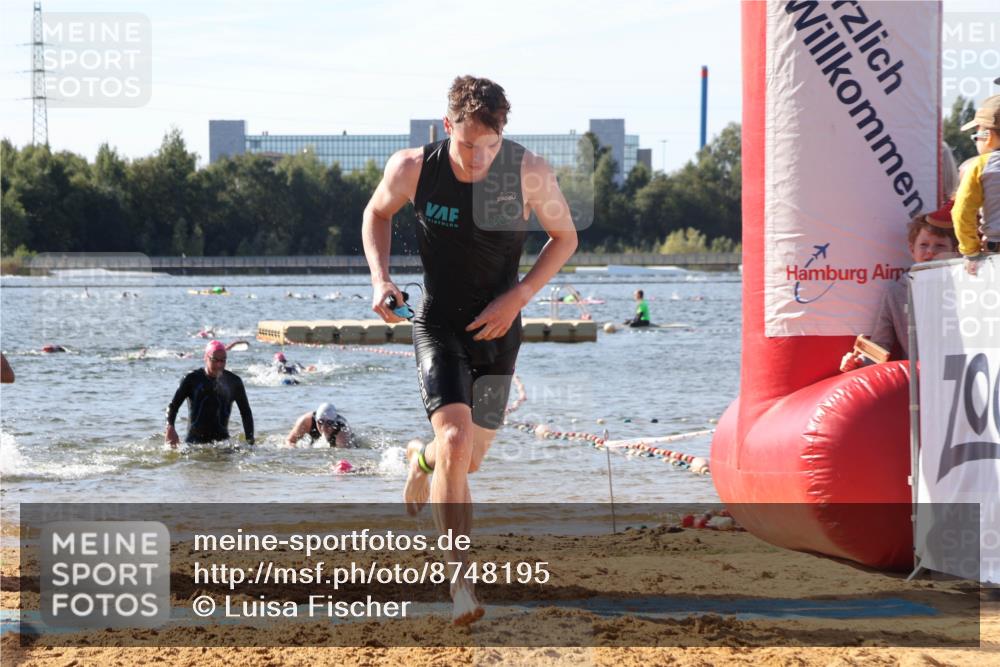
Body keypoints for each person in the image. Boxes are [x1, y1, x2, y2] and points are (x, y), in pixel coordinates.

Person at [361, 75, 577, 625]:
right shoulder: (413, 167)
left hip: (500, 330)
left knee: (467, 458)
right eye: (466, 145)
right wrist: (381, 279)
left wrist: (519, 297)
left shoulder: (529, 172)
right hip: (438, 323)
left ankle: (422, 458)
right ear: (446, 124)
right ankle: (460, 583)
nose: (478, 158)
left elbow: (565, 238)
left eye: (490, 146)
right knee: (456, 438)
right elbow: (376, 215)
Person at [840, 214, 958, 371]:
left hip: (961, 377)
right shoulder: (896, 292)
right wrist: (857, 363)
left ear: (955, 251)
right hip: (919, 383)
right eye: (923, 245)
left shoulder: (967, 288)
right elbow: (880, 346)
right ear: (912, 249)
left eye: (940, 246)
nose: (930, 251)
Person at [165, 340, 254, 448]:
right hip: (194, 444)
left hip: (222, 445)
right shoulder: (191, 379)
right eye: (215, 360)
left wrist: (250, 442)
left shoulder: (234, 382)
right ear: (206, 358)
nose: (219, 364)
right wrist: (170, 427)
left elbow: (246, 413)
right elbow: (173, 407)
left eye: (223, 360)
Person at [952, 94, 1000, 276]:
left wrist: (970, 251)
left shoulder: (980, 166)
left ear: (987, 136)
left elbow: (962, 211)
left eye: (976, 136)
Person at [285, 402, 352, 448]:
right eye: (320, 422)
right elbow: (290, 440)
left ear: (334, 422)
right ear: (316, 420)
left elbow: (344, 453)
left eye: (329, 423)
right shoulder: (306, 421)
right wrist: (293, 448)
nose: (323, 427)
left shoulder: (342, 429)